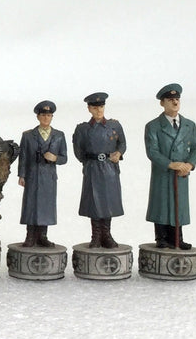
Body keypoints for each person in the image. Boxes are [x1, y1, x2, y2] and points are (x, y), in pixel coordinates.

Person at [144, 83, 196, 249]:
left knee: (178, 204)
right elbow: (152, 152)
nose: (175, 102)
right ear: (162, 103)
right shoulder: (153, 126)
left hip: (181, 173)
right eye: (170, 100)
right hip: (163, 172)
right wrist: (170, 164)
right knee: (161, 204)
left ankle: (177, 237)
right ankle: (161, 237)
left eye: (177, 99)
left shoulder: (189, 125)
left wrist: (189, 164)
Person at [72, 92, 126, 248]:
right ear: (89, 109)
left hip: (109, 168)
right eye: (95, 108)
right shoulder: (83, 129)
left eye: (101, 107)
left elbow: (122, 143)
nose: (99, 110)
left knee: (108, 201)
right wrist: (89, 163)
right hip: (93, 168)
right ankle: (96, 235)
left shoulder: (114, 125)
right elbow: (78, 151)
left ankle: (106, 234)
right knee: (94, 202)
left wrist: (118, 153)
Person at [17, 100, 67, 247]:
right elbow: (23, 157)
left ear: (52, 117)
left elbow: (64, 158)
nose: (46, 118)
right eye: (43, 115)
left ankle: (42, 236)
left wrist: (55, 158)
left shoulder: (59, 135)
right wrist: (22, 175)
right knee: (31, 204)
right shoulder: (28, 136)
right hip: (32, 175)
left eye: (49, 115)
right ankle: (30, 235)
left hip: (48, 177)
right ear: (38, 117)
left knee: (46, 205)